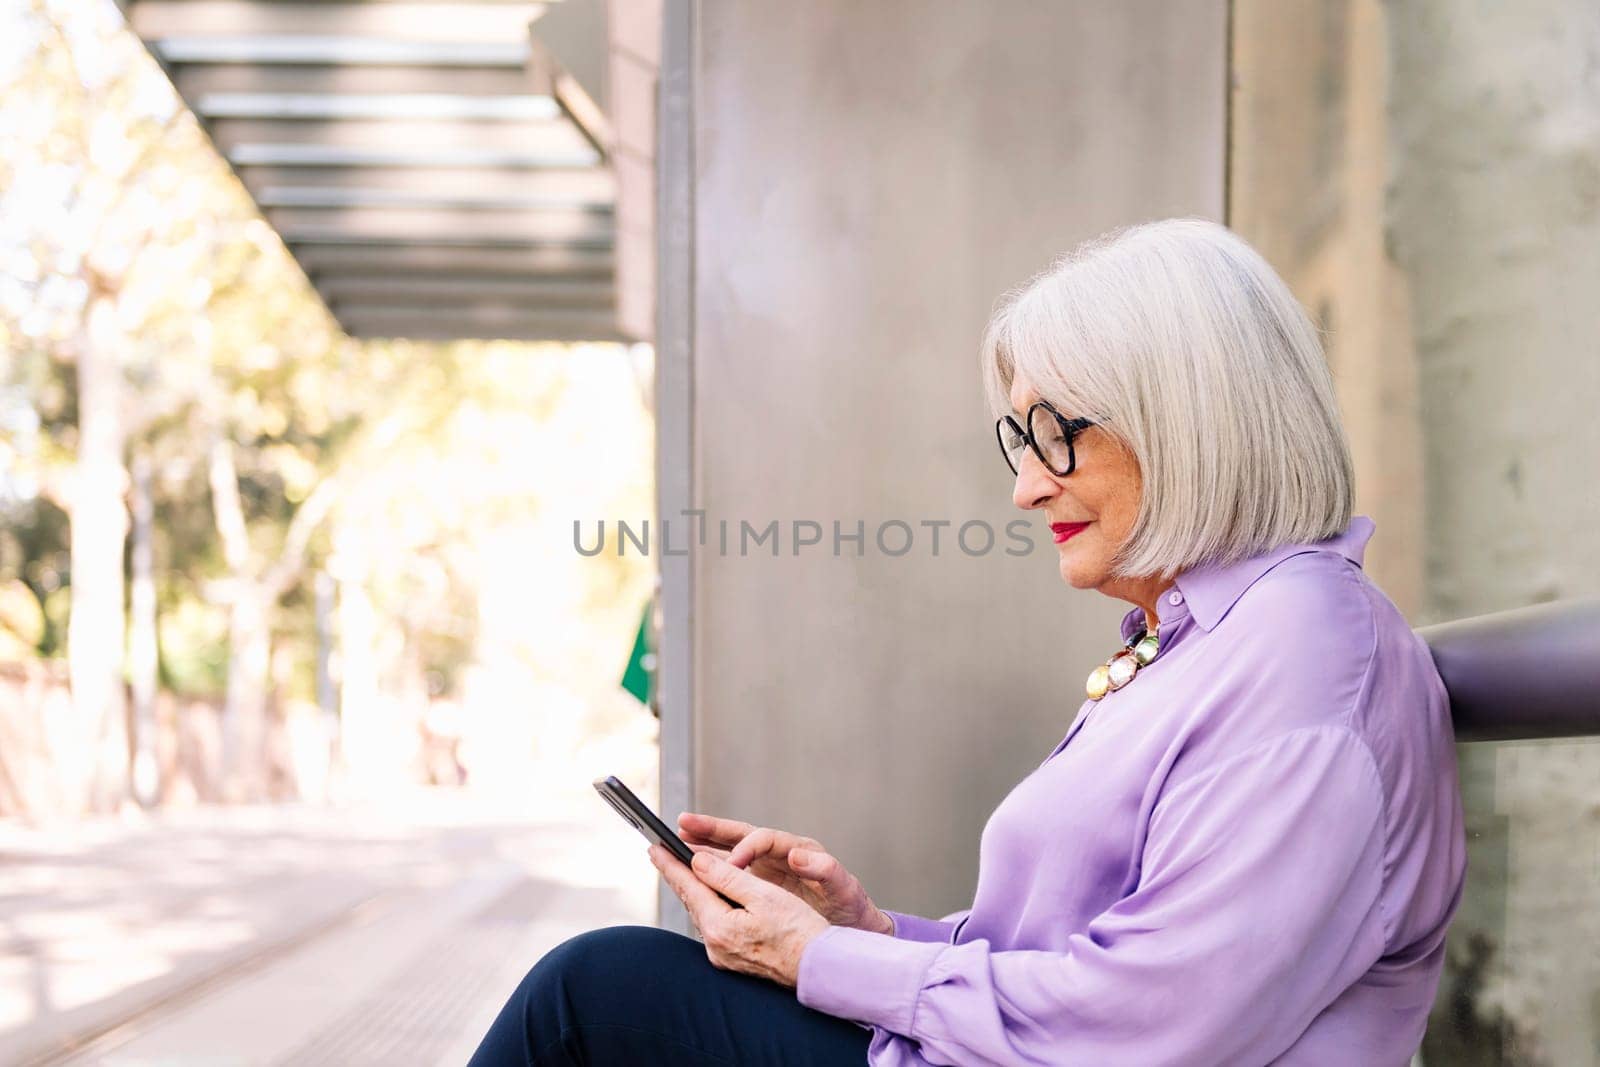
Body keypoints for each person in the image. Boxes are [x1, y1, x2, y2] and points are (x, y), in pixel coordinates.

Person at [467, 217, 1468, 1066]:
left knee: (594, 994)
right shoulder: (1198, 638)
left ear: (1187, 418)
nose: (1026, 485)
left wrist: (817, 958)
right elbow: (1071, 961)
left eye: (1056, 434)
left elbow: (1158, 1019)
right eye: (1018, 442)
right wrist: (863, 926)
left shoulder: (1302, 650)